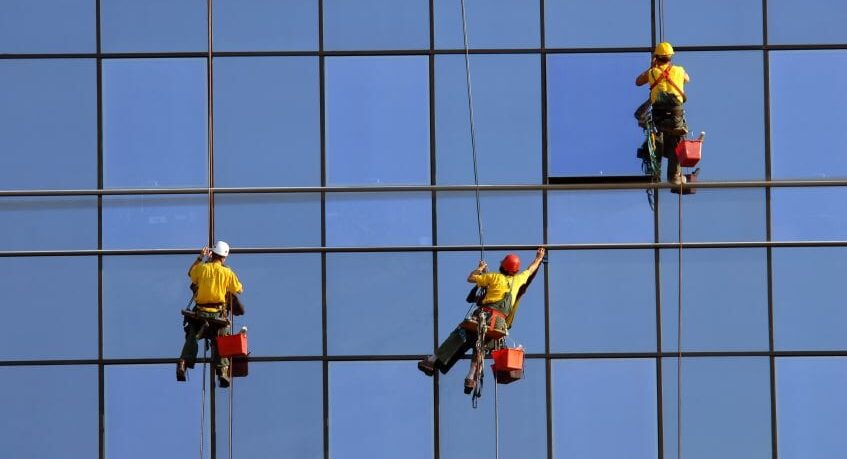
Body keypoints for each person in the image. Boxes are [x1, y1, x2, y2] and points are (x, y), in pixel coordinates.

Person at [417, 248, 546, 393]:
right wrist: (539, 258)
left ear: (502, 266)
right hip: (499, 324)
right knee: (481, 348)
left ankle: (432, 361)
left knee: (459, 335)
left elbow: (471, 278)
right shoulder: (519, 279)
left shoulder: (493, 277)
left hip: (484, 316)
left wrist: (479, 269)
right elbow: (530, 269)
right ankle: (470, 378)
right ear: (515, 270)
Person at [176, 241, 243, 387]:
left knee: (192, 336)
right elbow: (238, 289)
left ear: (212, 254)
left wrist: (201, 257)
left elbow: (190, 273)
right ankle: (222, 371)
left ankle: (183, 362)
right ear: (224, 257)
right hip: (216, 315)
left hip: (200, 313)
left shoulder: (202, 268)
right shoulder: (227, 272)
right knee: (222, 339)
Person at [635, 42, 691, 185]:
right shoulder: (679, 70)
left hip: (659, 118)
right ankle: (674, 177)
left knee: (656, 138)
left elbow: (638, 82)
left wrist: (652, 67)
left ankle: (655, 173)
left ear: (656, 58)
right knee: (675, 141)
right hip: (675, 119)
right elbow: (687, 79)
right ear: (670, 57)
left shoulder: (652, 72)